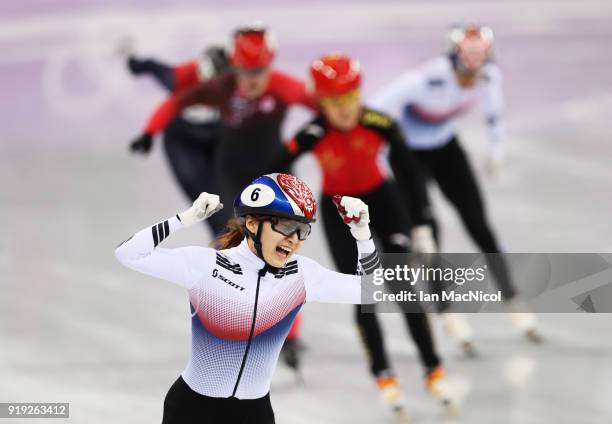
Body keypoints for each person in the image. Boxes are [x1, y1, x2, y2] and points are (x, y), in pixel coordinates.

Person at [270, 53, 456, 419]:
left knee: (403, 287)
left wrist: (419, 223)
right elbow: (277, 169)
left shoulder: (380, 123)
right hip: (340, 214)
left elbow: (409, 171)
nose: (345, 109)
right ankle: (382, 372)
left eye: (351, 98)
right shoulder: (313, 133)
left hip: (384, 205)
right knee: (363, 293)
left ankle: (432, 367)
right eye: (335, 102)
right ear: (321, 102)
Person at [115, 173, 381, 424]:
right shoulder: (206, 265)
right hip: (192, 411)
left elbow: (371, 290)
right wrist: (184, 219)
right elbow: (129, 254)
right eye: (287, 226)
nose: (295, 240)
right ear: (252, 223)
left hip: (254, 415)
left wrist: (362, 234)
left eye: (303, 230)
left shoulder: (301, 275)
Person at [370, 24, 542, 353]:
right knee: (427, 235)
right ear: (453, 62)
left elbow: (494, 112)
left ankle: (512, 297)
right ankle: (445, 309)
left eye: (478, 71)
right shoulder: (422, 79)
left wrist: (497, 148)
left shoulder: (489, 75)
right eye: (465, 72)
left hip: (447, 150)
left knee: (479, 224)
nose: (471, 80)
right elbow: (374, 109)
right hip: (408, 157)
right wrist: (379, 152)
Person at [128, 24, 316, 228]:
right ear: (233, 68)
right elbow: (173, 101)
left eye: (258, 71)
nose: (251, 80)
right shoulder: (220, 86)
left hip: (274, 168)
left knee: (285, 234)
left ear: (270, 66)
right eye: (244, 72)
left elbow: (327, 105)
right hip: (231, 173)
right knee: (230, 236)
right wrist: (148, 133)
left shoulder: (283, 86)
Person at [126, 45, 229, 235]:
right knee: (206, 197)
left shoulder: (235, 82)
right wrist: (148, 134)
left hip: (216, 136)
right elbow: (157, 72)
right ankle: (223, 238)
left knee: (229, 192)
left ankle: (230, 236)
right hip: (183, 140)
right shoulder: (181, 77)